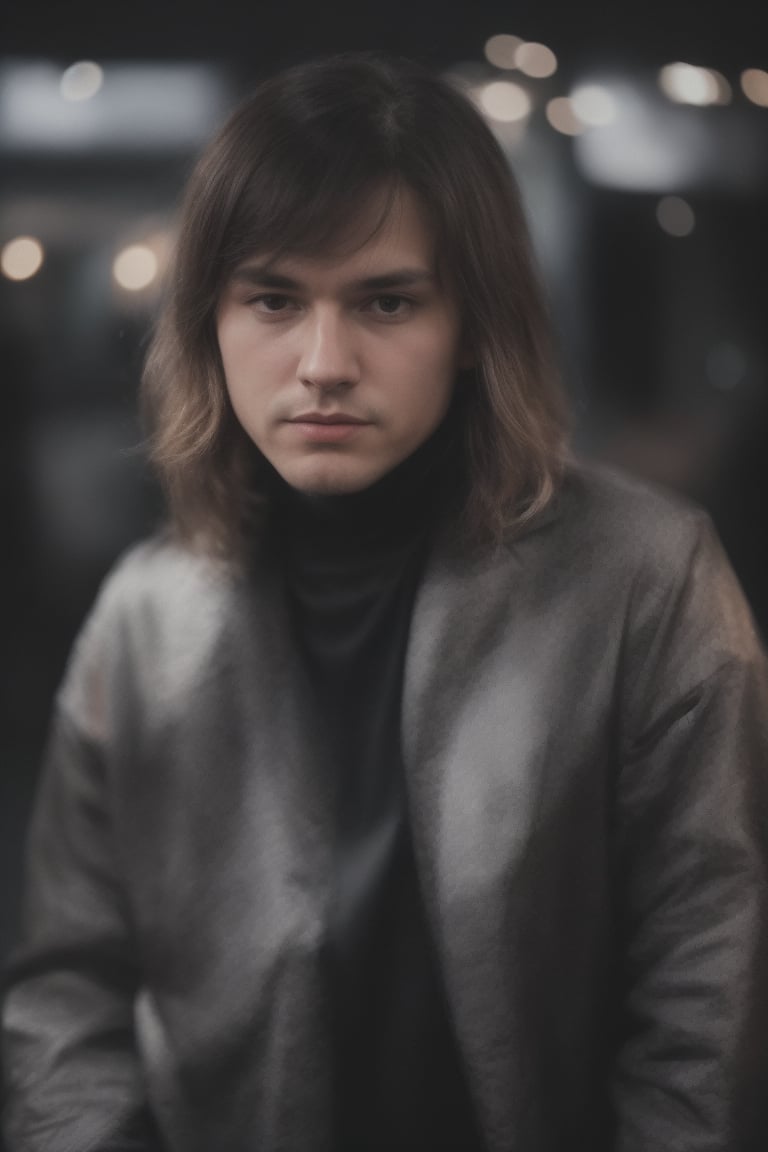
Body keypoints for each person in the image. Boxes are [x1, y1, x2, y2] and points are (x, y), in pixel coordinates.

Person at [3, 52, 768, 1152]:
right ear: (210, 322)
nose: (323, 362)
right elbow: (65, 993)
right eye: (273, 298)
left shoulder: (646, 581)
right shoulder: (144, 618)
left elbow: (709, 1013)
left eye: (387, 301)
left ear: (472, 327)